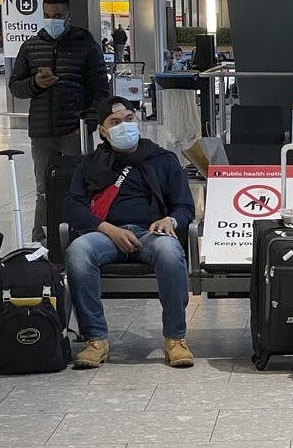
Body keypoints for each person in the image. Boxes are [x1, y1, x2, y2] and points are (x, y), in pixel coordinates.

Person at [63, 96, 196, 369]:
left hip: (151, 233)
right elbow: (73, 206)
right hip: (105, 234)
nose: (124, 126)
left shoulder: (163, 159)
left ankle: (175, 338)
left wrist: (170, 220)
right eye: (114, 122)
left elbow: (185, 206)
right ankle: (95, 339)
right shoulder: (91, 164)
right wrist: (107, 229)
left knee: (170, 252)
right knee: (77, 252)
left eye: (129, 119)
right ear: (102, 130)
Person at [8, 0, 109, 244]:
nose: (52, 20)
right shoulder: (30, 47)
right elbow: (15, 86)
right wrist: (35, 83)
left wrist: (87, 122)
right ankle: (42, 239)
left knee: (79, 183)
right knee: (43, 188)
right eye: (47, 15)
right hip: (41, 132)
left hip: (74, 130)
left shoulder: (85, 44)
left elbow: (100, 87)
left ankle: (80, 233)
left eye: (58, 16)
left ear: (68, 16)